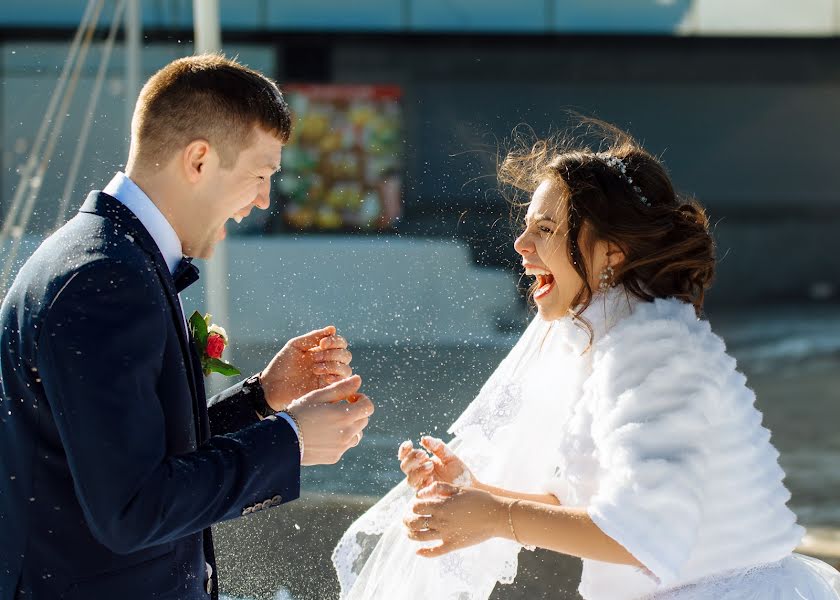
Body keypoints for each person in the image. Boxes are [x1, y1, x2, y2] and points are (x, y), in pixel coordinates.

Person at [333, 121, 840, 599]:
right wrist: (474, 492)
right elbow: (598, 510)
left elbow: (644, 532)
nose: (521, 244)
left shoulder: (654, 355)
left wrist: (495, 515)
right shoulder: (617, 343)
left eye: (547, 230)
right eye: (527, 227)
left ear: (612, 253)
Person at [0, 54, 374, 600]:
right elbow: (132, 509)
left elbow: (140, 458)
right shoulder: (104, 278)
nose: (263, 200)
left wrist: (261, 400)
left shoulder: (110, 257)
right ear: (199, 159)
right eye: (260, 174)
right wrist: (290, 442)